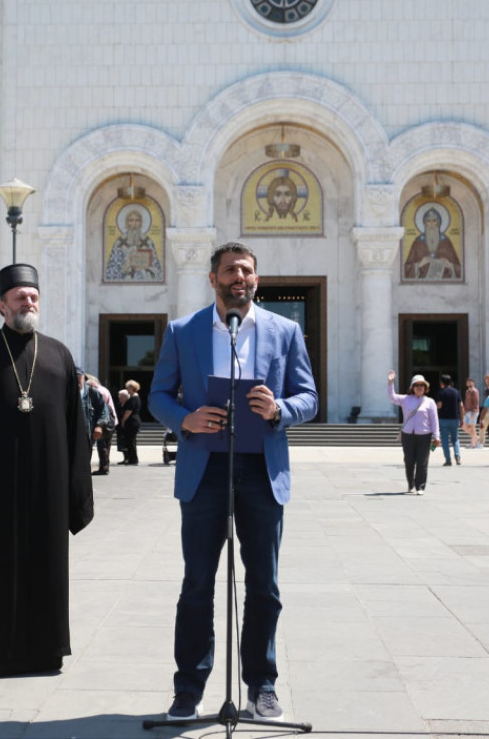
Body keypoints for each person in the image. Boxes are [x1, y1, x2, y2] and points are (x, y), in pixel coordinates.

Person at [148, 241, 318, 722]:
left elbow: (309, 396)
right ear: (213, 279)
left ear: (256, 280)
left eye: (246, 270)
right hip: (205, 469)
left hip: (261, 472)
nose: (238, 277)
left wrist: (280, 409)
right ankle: (188, 688)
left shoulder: (285, 331)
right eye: (229, 270)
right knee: (198, 583)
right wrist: (186, 418)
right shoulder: (184, 331)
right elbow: (159, 394)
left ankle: (261, 685)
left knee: (264, 585)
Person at [0, 263, 94, 677]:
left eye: (34, 297)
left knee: (46, 571)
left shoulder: (59, 355)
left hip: (47, 491)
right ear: (2, 305)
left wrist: (77, 495)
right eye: (20, 297)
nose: (29, 302)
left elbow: (75, 431)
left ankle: (45, 652)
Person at [388, 372, 440, 493]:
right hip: (408, 435)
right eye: (416, 385)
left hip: (424, 435)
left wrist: (436, 436)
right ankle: (410, 484)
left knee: (422, 462)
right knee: (409, 460)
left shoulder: (430, 402)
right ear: (412, 387)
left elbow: (434, 420)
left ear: (425, 388)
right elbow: (392, 397)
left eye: (422, 385)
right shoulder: (405, 399)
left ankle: (420, 486)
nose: (419, 387)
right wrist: (391, 383)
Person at [403, 206, 462, 280]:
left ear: (438, 223)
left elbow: (460, 270)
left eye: (434, 221)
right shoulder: (418, 243)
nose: (431, 224)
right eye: (428, 221)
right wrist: (419, 264)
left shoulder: (446, 242)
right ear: (425, 223)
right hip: (421, 284)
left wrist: (450, 265)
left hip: (444, 284)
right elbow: (405, 270)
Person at [88, 374, 117, 475]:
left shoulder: (98, 392)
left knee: (103, 445)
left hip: (104, 423)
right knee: (105, 445)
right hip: (109, 422)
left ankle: (104, 467)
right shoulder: (104, 390)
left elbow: (101, 409)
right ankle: (104, 466)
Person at [77, 367, 108, 454]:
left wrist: (99, 425)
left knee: (85, 461)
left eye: (78, 377)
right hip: (70, 434)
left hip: (87, 434)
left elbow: (104, 410)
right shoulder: (66, 392)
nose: (76, 380)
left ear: (83, 377)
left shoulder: (92, 392)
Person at [434, 374, 463, 465]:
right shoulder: (456, 392)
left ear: (441, 383)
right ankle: (457, 457)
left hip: (443, 419)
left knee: (445, 440)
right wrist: (462, 418)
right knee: (455, 439)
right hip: (455, 418)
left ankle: (448, 459)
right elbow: (461, 406)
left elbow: (439, 405)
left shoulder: (441, 392)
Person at [118, 379, 142, 465]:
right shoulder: (136, 397)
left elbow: (128, 411)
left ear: (132, 388)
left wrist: (123, 421)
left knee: (130, 441)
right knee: (131, 441)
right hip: (134, 421)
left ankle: (133, 459)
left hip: (131, 421)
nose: (127, 390)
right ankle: (132, 458)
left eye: (128, 388)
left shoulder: (133, 398)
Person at [463, 377, 480, 449]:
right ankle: (476, 437)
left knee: (472, 428)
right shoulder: (467, 391)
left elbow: (476, 402)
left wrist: (474, 411)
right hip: (467, 411)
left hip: (473, 411)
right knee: (464, 427)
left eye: (470, 382)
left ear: (473, 383)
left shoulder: (474, 391)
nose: (469, 383)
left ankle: (472, 444)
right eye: (468, 382)